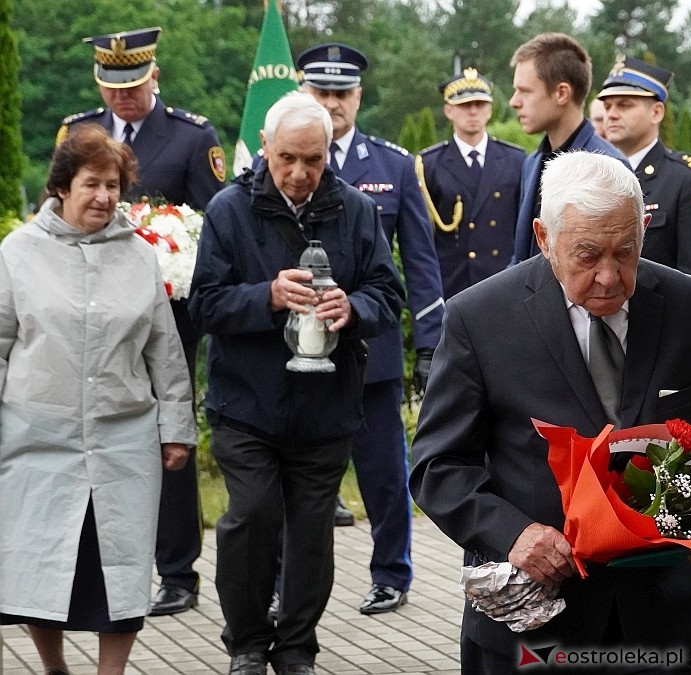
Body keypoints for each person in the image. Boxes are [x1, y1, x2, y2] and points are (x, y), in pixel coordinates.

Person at [410, 151, 691, 675]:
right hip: (537, 617)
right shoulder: (480, 318)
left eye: (626, 252)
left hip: (657, 617)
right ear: (544, 238)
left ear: (646, 228)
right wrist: (513, 534)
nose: (609, 276)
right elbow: (437, 466)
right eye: (587, 255)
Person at [189, 92, 404, 675]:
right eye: (288, 158)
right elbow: (203, 305)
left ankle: (296, 650)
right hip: (246, 406)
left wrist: (352, 307)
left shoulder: (357, 210)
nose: (300, 173)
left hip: (327, 406)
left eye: (314, 160)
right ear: (265, 147)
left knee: (312, 534)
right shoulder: (230, 210)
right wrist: (267, 297)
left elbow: (389, 294)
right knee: (254, 516)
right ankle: (248, 644)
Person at [0, 125, 195, 675]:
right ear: (63, 186)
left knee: (121, 572)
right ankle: (54, 668)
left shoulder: (139, 256)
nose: (105, 197)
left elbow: (164, 350)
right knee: (38, 567)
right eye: (92, 184)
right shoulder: (17, 253)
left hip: (122, 441)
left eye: (113, 185)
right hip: (36, 441)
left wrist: (176, 428)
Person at [58, 26, 224, 617]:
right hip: (91, 311)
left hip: (167, 314)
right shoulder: (79, 133)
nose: (122, 98)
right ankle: (99, 556)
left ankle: (177, 570)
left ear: (153, 76)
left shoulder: (190, 136)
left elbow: (215, 221)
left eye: (132, 86)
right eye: (112, 87)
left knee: (168, 432)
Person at [295, 42, 446, 616]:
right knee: (297, 469)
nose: (332, 104)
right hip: (297, 348)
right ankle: (287, 577)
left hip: (369, 350)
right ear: (305, 94)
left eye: (343, 93)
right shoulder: (283, 157)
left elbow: (423, 263)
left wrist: (430, 341)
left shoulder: (392, 165)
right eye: (322, 92)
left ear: (358, 97)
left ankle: (391, 573)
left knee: (384, 473)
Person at [598, 56, 691, 285]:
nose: (611, 114)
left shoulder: (687, 178)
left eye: (624, 104)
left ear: (657, 112)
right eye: (607, 106)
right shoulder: (596, 174)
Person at [508, 33, 627, 265]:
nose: (514, 101)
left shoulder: (606, 170)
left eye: (525, 91)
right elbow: (523, 258)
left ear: (562, 93)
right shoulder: (532, 163)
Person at [418, 68, 525, 299]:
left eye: (480, 104)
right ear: (448, 110)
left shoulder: (516, 160)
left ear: (490, 110)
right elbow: (424, 236)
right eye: (465, 105)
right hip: (454, 284)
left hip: (504, 281)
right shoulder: (429, 165)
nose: (473, 111)